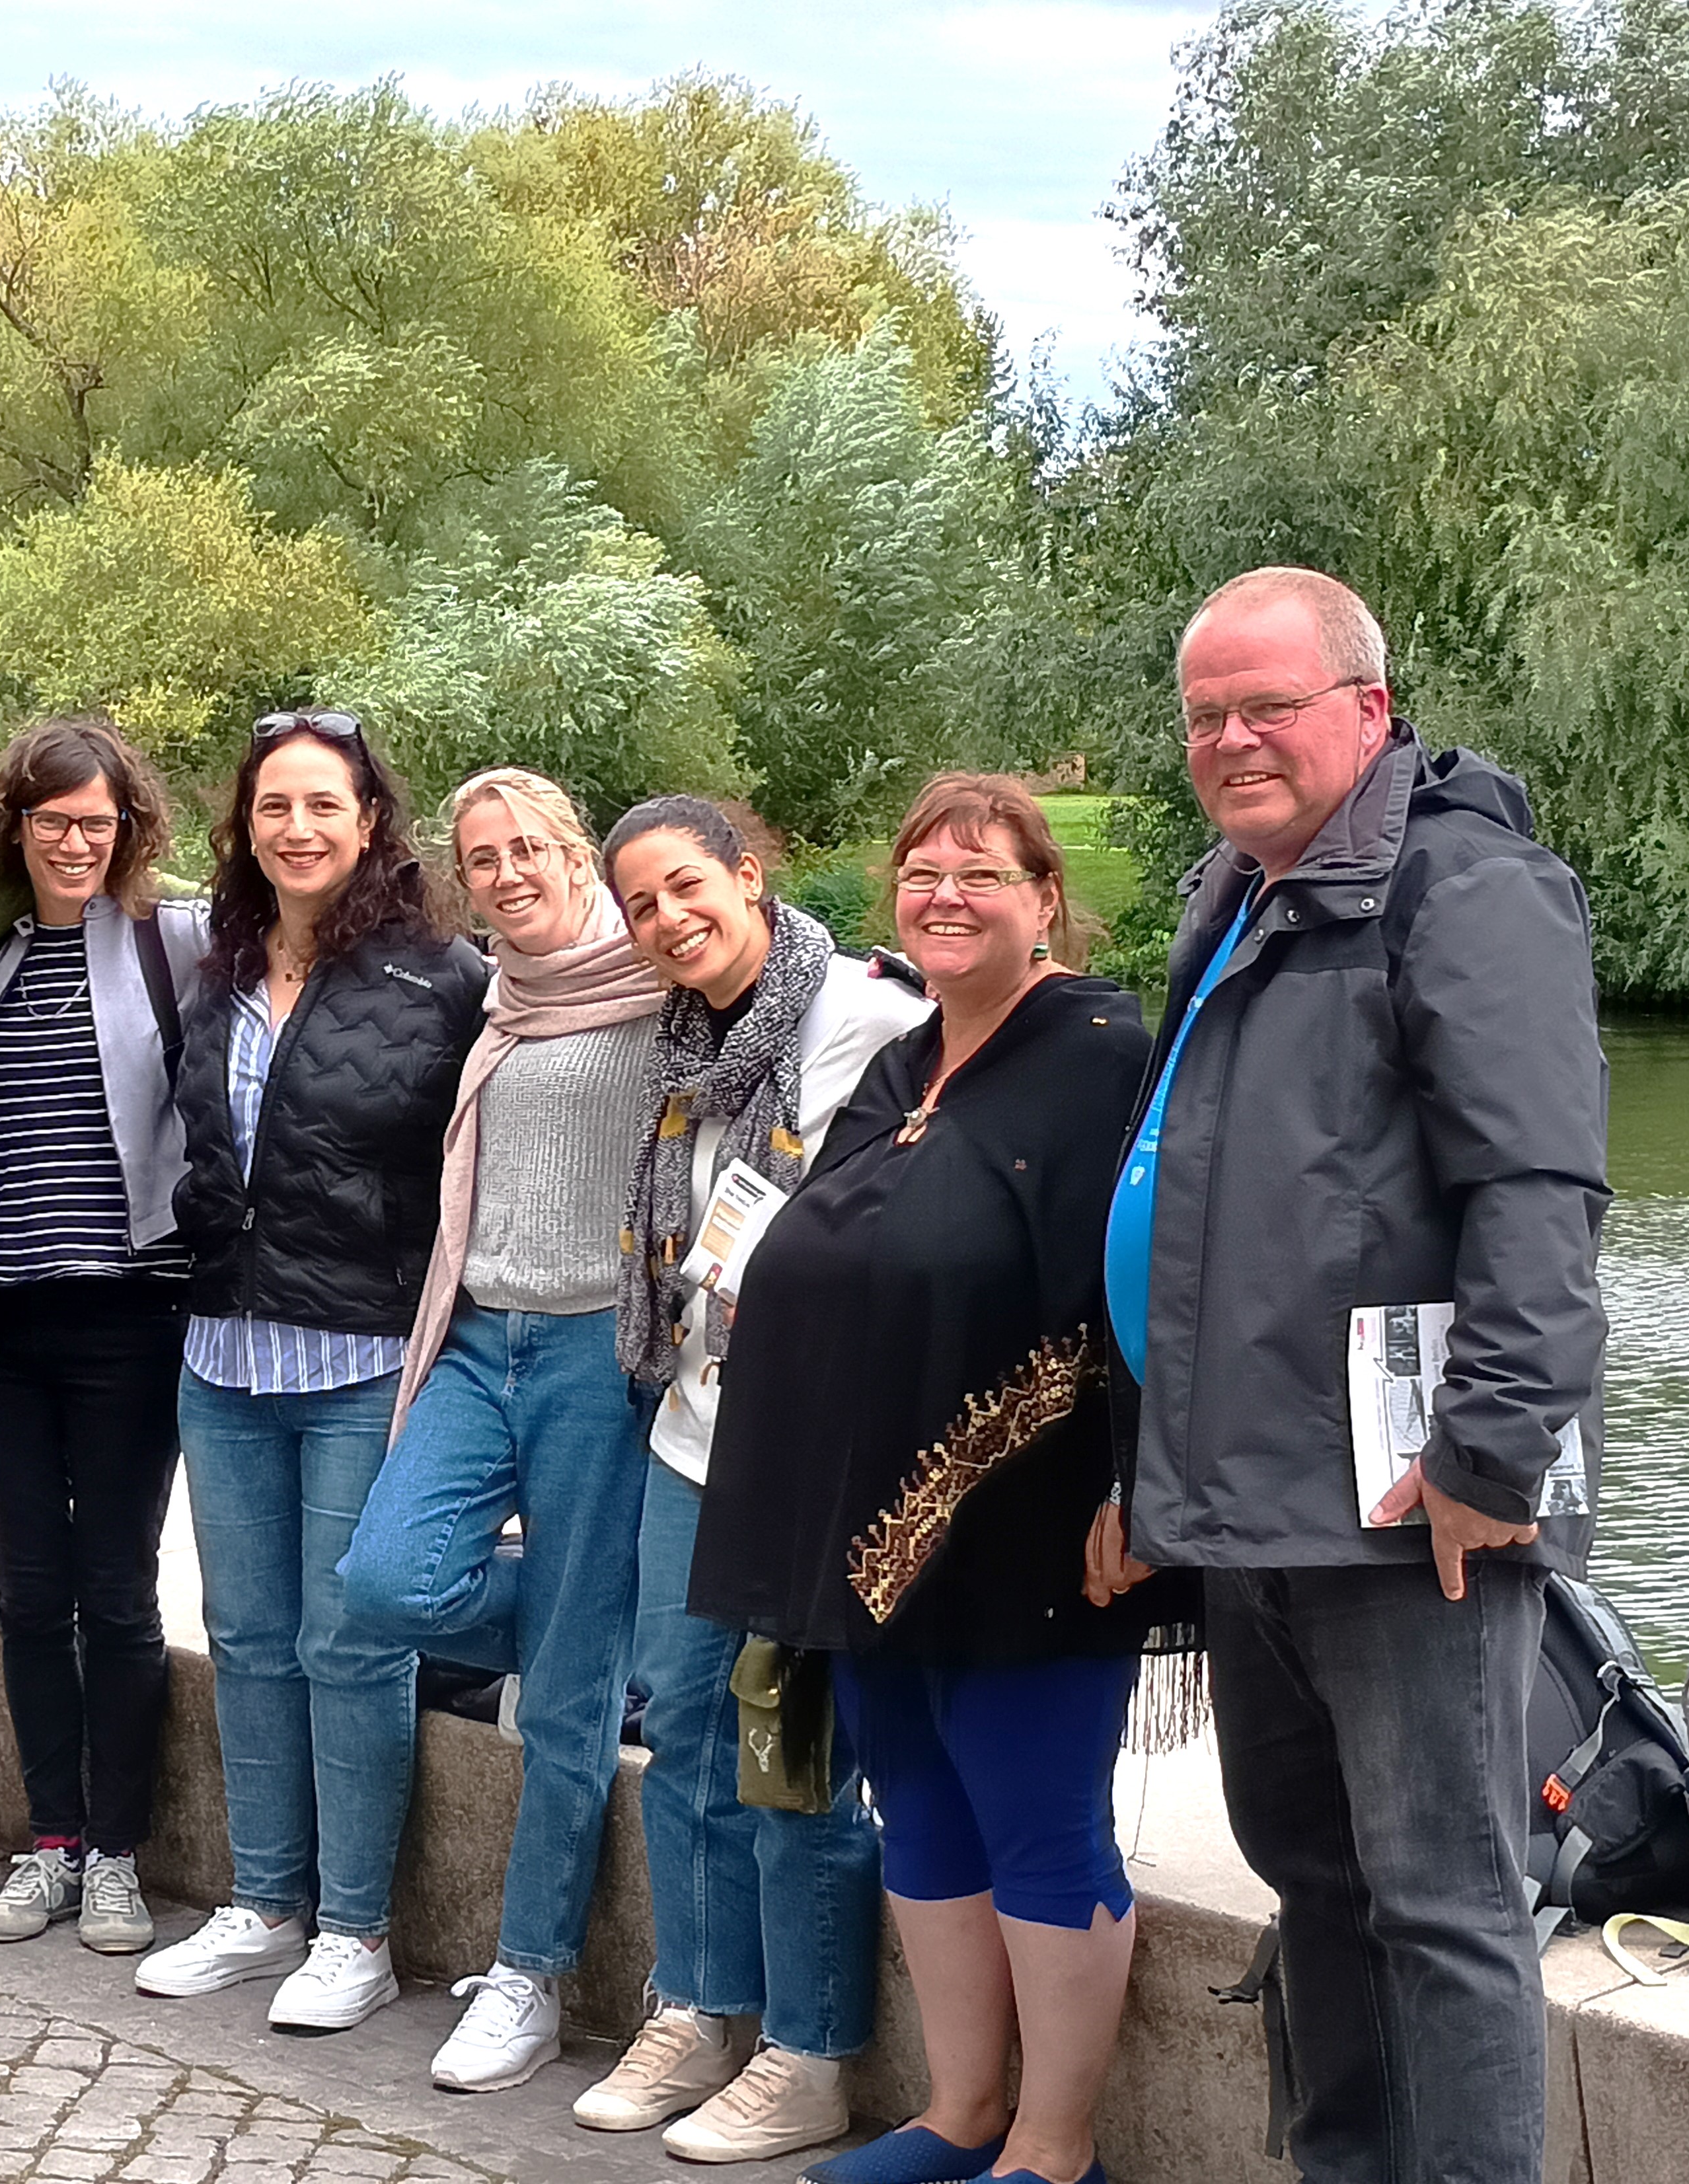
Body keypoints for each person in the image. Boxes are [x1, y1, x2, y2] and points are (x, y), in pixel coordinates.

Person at [1092, 568, 1607, 2184]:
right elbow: (1187, 1212)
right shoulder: (1237, 890)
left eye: (1267, 706)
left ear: (1368, 712)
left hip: (1409, 1509)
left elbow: (1535, 1192)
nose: (1232, 739)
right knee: (1312, 1884)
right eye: (1203, 717)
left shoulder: (1464, 886)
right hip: (1251, 1497)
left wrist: (1490, 1458)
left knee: (1444, 1900)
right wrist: (1144, 1471)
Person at [698, 778, 1201, 2184]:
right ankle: (962, 2111)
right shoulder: (904, 1060)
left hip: (1039, 1519)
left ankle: (1053, 2148)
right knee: (915, 1800)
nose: (945, 897)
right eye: (922, 874)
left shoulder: (1103, 1054)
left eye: (982, 873)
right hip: (874, 1526)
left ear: (1046, 899)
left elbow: (1151, 1287)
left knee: (1037, 1814)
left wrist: (1140, 1488)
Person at [578, 794, 922, 2165]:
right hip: (693, 1431)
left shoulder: (865, 1019)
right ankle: (702, 2006)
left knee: (794, 1754)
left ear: (748, 873)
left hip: (816, 1451)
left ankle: (810, 2051)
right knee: (685, 1737)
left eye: (684, 889)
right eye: (642, 906)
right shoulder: (680, 1048)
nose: (667, 922)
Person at [134, 710, 487, 2036]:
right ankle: (263, 1903)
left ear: (367, 820)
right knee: (245, 1636)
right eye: (273, 806)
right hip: (221, 1348)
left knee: (349, 1644)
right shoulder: (213, 962)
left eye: (322, 806)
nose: (297, 829)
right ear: (244, 824)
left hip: (360, 1357)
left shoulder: (439, 977)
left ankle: (355, 1932)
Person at [328, 766, 661, 2093]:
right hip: (476, 1335)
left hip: (593, 1347)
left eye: (529, 846)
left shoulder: (654, 992)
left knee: (568, 1699)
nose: (508, 871)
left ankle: (528, 1975)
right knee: (383, 1579)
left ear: (577, 852)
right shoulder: (497, 999)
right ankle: (590, 1621)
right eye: (482, 856)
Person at [0, 717, 206, 1958]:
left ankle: (117, 1854)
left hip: (129, 1315)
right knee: (27, 1587)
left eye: (96, 822)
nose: (75, 842)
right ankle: (49, 1841)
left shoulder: (177, 942)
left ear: (128, 828)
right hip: (2, 1320)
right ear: (18, 827)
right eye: (52, 821)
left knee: (117, 1588)